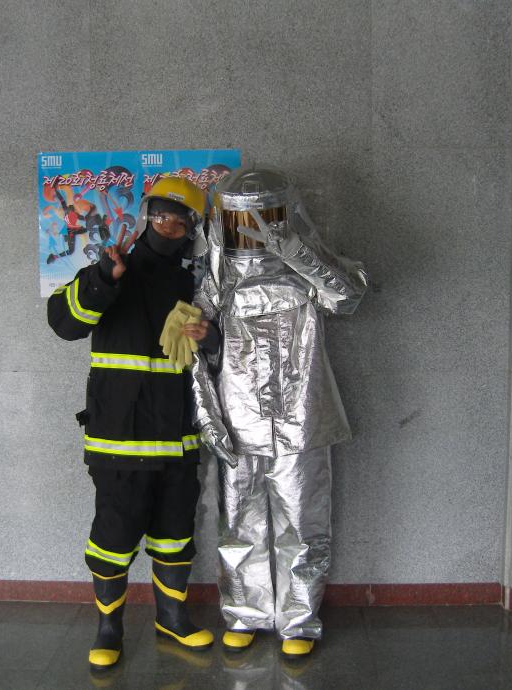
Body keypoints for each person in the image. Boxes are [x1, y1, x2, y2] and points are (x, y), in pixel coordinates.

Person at [190, 164, 368, 658]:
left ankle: (299, 620)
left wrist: (293, 248)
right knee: (239, 524)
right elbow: (194, 354)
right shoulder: (217, 280)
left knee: (303, 525)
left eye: (263, 218)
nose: (251, 231)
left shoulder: (309, 271)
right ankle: (244, 613)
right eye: (242, 220)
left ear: (284, 215)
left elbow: (349, 296)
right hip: (239, 421)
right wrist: (208, 416)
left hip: (303, 421)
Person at [47, 176, 214, 671]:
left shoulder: (197, 281)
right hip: (120, 441)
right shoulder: (114, 268)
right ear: (146, 217)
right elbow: (63, 323)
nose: (168, 227)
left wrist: (211, 336)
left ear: (192, 229)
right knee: (114, 538)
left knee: (175, 535)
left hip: (178, 440)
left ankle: (172, 619)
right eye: (161, 217)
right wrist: (103, 277)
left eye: (179, 222)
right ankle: (108, 627)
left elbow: (228, 351)